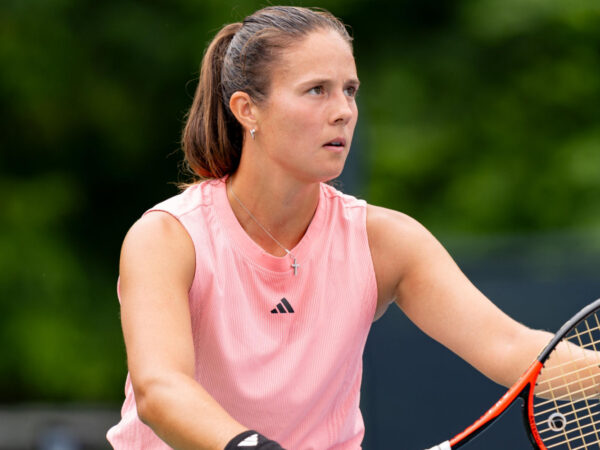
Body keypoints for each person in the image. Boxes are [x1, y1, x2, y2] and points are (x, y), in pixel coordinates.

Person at [106, 6, 564, 449]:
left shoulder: (386, 241)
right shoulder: (166, 238)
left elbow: (513, 348)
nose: (344, 110)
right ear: (247, 110)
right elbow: (160, 389)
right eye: (316, 90)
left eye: (350, 90)